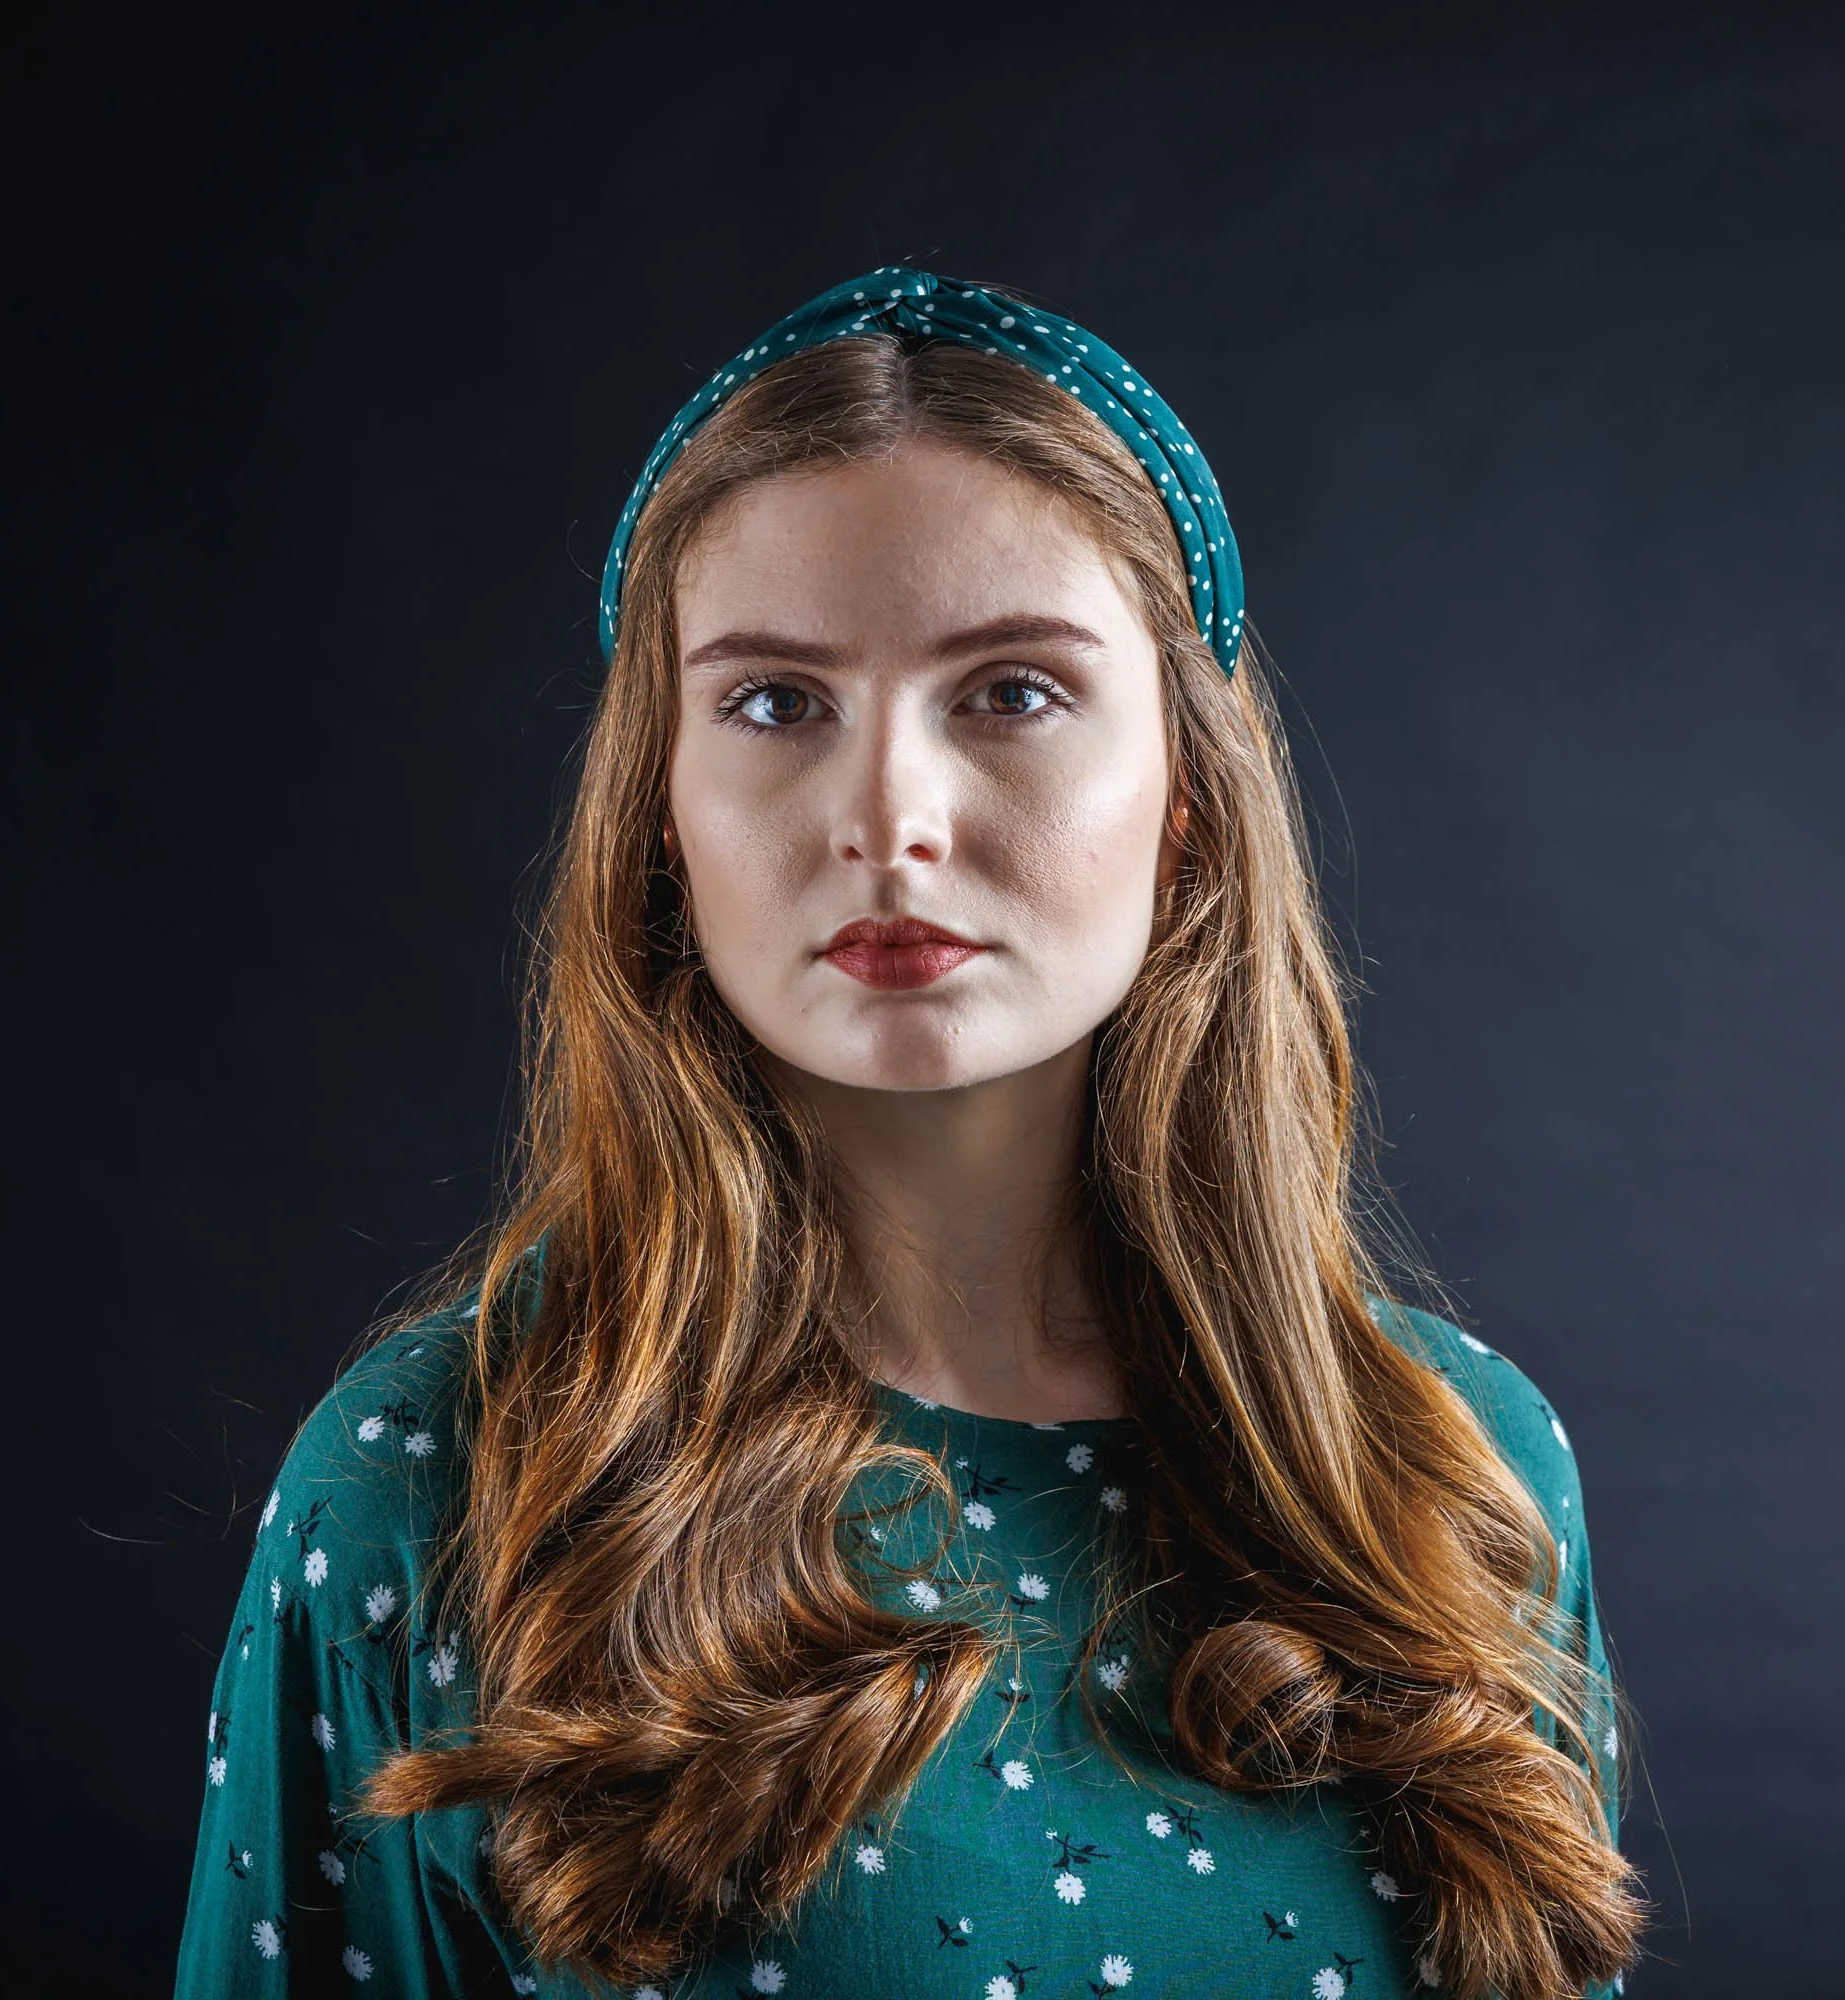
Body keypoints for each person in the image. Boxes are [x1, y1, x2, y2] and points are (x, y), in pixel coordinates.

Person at [175, 266, 1648, 2000]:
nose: (889, 816)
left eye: (1013, 692)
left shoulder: (1455, 1465)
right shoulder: (440, 1483)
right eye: (777, 703)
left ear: (1187, 795)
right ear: (663, 811)